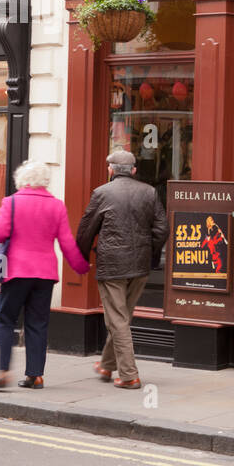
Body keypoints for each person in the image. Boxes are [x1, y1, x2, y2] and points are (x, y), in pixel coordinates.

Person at [0, 160, 89, 390]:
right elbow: (67, 243)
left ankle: (3, 372)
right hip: (45, 274)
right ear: (45, 181)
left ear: (22, 180)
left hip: (16, 272)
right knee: (38, 323)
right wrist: (81, 267)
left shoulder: (11, 202)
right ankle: (35, 375)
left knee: (5, 320)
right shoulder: (57, 206)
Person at [75, 150, 166, 390]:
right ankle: (107, 365)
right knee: (121, 318)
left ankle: (129, 375)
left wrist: (83, 258)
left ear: (111, 170)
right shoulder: (150, 192)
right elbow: (161, 230)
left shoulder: (102, 193)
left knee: (117, 320)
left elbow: (85, 232)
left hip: (113, 265)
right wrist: (151, 253)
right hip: (140, 266)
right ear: (133, 170)